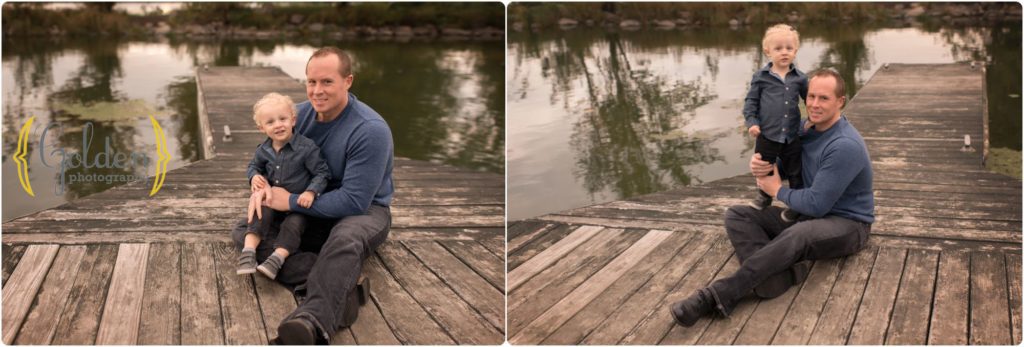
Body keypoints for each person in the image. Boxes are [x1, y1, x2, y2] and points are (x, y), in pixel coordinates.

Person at [670, 69, 874, 326]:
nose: (814, 104)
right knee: (738, 215)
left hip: (848, 224)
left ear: (840, 101)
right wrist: (762, 165)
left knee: (798, 234)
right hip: (806, 216)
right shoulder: (803, 129)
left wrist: (777, 190)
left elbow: (817, 205)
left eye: (823, 98)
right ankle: (779, 275)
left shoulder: (844, 145)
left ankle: (717, 296)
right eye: (810, 96)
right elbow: (786, 163)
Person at [232, 46, 394, 344]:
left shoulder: (370, 130)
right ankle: (342, 289)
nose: (317, 91)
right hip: (307, 209)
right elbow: (267, 159)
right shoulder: (297, 115)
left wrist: (289, 201)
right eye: (311, 82)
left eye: (327, 82)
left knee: (344, 239)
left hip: (362, 210)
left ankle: (311, 322)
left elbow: (354, 200)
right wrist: (260, 186)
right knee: (247, 229)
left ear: (348, 81)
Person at [237, 92, 330, 280]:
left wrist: (311, 192)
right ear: (261, 128)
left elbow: (322, 173)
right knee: (258, 214)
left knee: (293, 225)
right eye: (270, 122)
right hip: (272, 201)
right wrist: (254, 176)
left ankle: (277, 259)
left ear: (293, 120)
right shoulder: (264, 150)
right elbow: (254, 166)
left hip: (297, 205)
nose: (278, 125)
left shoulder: (306, 148)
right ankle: (248, 253)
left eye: (282, 119)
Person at [743, 24, 808, 222]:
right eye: (778, 48)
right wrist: (752, 122)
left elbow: (810, 100)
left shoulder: (800, 78)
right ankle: (764, 196)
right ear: (768, 51)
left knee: (796, 170)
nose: (784, 52)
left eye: (789, 48)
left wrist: (812, 120)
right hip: (767, 133)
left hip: (791, 135)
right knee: (764, 165)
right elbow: (751, 102)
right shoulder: (761, 77)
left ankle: (796, 205)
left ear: (795, 51)